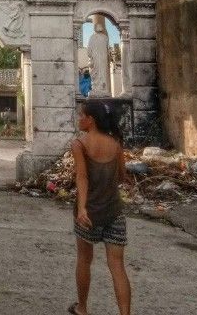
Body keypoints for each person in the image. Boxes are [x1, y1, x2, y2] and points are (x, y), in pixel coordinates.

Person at [69, 99, 131, 315]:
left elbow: (82, 177)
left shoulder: (80, 144)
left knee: (84, 260)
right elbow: (123, 176)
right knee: (117, 267)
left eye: (81, 116)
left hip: (90, 213)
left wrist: (83, 208)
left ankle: (82, 308)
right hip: (114, 211)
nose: (79, 119)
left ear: (90, 120)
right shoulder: (116, 144)